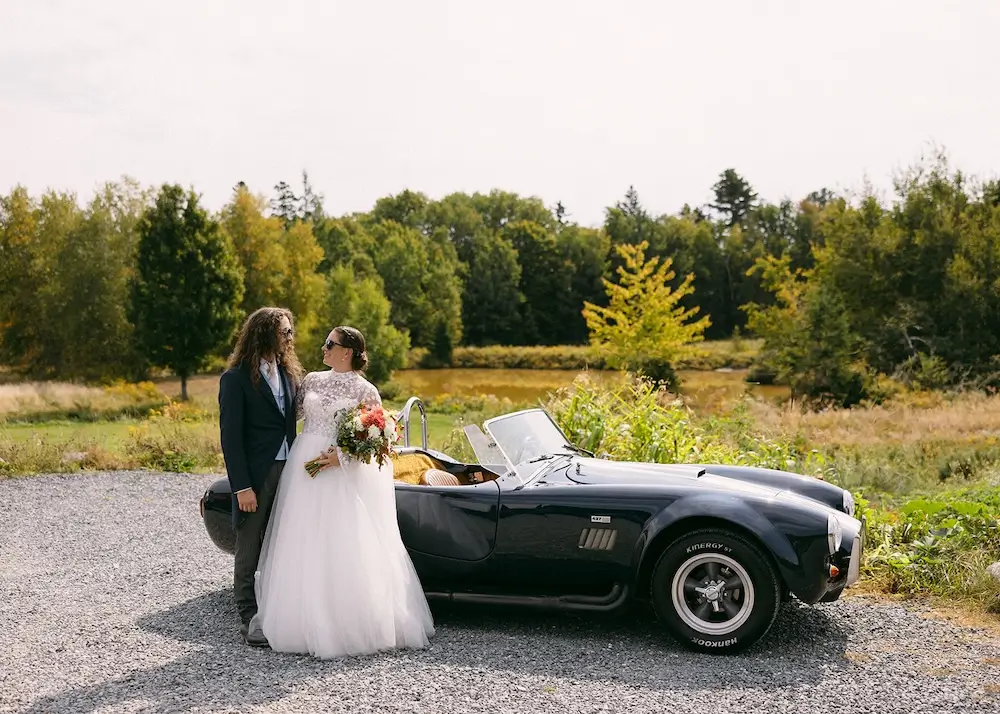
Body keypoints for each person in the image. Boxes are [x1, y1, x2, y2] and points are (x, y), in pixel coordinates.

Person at [250, 325, 435, 658]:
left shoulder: (366, 390)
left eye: (329, 344)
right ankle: (297, 616)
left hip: (341, 474)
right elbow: (287, 416)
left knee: (341, 540)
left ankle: (346, 622)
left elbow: (381, 437)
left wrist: (343, 455)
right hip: (304, 467)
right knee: (302, 537)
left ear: (347, 351)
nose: (323, 348)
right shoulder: (312, 381)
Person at [218, 307, 302, 647]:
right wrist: (242, 486)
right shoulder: (235, 378)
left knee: (283, 542)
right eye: (284, 331)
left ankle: (279, 609)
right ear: (264, 333)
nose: (289, 337)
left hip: (291, 469)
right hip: (256, 473)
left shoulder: (290, 375)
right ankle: (249, 615)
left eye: (289, 331)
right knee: (249, 545)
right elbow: (231, 438)